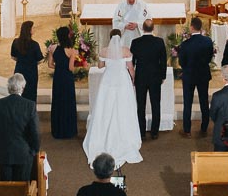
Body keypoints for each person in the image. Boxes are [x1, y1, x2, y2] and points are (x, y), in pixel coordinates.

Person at [83, 30, 142, 167]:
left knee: (106, 108)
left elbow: (100, 66)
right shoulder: (126, 51)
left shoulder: (104, 51)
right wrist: (133, 80)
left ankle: (103, 134)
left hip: (108, 82)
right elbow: (131, 68)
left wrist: (107, 63)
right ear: (120, 38)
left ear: (110, 38)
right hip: (122, 82)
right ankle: (125, 136)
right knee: (123, 107)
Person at [0, 73, 41, 182]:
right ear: (23, 87)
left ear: (9, 87)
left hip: (4, 152)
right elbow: (35, 132)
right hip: (24, 153)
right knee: (22, 189)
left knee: (6, 190)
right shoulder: (29, 105)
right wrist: (34, 150)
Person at [129, 17, 168, 139]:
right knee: (156, 104)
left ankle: (141, 132)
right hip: (155, 76)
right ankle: (154, 132)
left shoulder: (135, 42)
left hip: (140, 76)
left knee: (140, 105)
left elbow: (132, 61)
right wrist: (162, 76)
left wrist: (133, 77)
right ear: (153, 28)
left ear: (142, 28)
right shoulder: (159, 42)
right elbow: (163, 61)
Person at [178, 15, 216, 137]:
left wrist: (187, 68)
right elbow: (210, 57)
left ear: (192, 27)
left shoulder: (185, 44)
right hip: (203, 75)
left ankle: (187, 130)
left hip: (189, 76)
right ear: (201, 28)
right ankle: (204, 128)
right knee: (204, 101)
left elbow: (181, 62)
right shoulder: (208, 41)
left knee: (187, 102)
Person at [49, 24, 79, 140]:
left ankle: (57, 130)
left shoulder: (53, 48)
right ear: (67, 36)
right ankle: (69, 130)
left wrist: (59, 66)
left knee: (58, 101)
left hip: (58, 77)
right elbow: (71, 68)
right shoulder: (71, 50)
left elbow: (50, 64)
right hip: (67, 78)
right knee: (68, 102)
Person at [10, 20, 45, 102]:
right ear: (29, 30)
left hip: (19, 70)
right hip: (31, 73)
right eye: (33, 28)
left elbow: (13, 57)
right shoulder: (34, 44)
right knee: (30, 94)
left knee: (19, 93)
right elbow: (40, 59)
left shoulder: (16, 42)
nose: (34, 29)